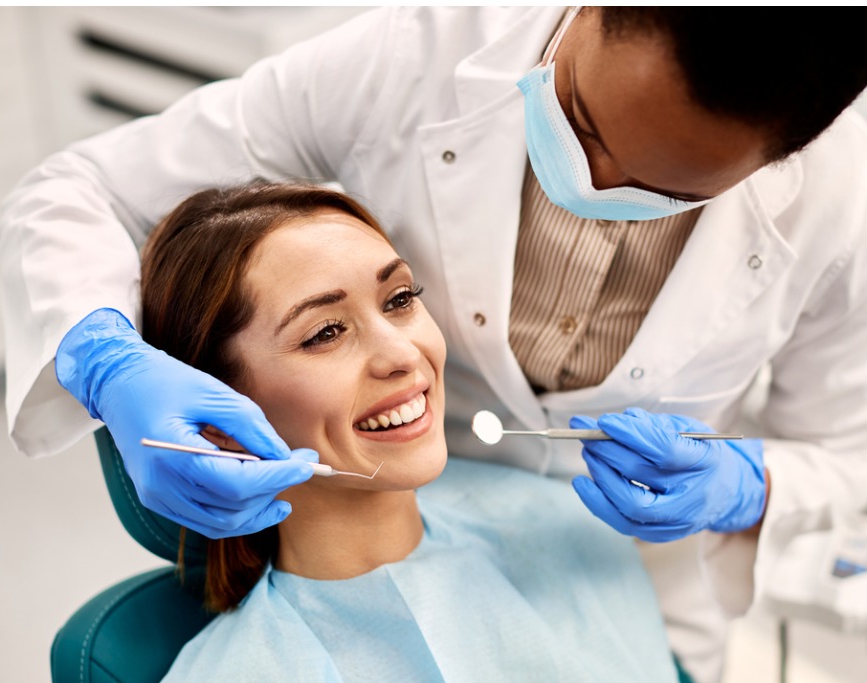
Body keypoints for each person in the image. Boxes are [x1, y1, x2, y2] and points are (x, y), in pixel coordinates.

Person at [0, 7, 867, 679]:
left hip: (623, 589)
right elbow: (73, 193)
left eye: (658, 191)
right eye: (582, 120)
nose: (593, 178)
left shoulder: (844, 203)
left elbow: (847, 449)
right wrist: (107, 362)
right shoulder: (414, 56)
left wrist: (749, 483)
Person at [140, 181, 679, 682]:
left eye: (399, 299)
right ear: (220, 422)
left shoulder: (565, 528)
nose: (403, 354)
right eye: (325, 333)